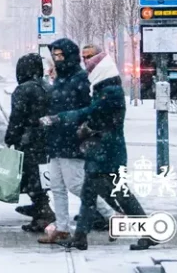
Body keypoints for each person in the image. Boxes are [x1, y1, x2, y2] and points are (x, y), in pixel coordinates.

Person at [41, 51, 155, 251]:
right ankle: (80, 237)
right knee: (89, 193)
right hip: (101, 149)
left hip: (108, 151)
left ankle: (149, 232)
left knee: (120, 194)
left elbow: (91, 113)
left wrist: (61, 117)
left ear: (101, 70)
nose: (88, 70)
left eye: (91, 67)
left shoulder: (111, 91)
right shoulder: (105, 89)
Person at [38, 39, 115, 244]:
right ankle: (62, 227)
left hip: (71, 138)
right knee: (57, 185)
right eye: (55, 55)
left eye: (61, 55)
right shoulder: (61, 79)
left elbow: (87, 109)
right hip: (56, 138)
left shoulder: (80, 78)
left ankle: (112, 216)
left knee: (75, 184)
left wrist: (74, 125)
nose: (58, 59)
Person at [4, 53, 55, 232]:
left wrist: (10, 137)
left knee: (30, 178)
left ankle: (43, 212)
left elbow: (17, 117)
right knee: (39, 177)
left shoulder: (23, 89)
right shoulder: (48, 87)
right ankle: (40, 211)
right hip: (46, 139)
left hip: (28, 140)